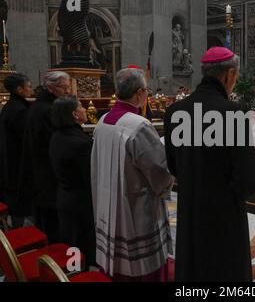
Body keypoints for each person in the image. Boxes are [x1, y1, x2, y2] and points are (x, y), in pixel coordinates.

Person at [164, 47, 255, 282]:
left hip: (190, 209)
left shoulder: (175, 111)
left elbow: (174, 167)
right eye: (235, 77)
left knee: (194, 269)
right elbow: (248, 179)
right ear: (228, 74)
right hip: (224, 213)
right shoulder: (232, 113)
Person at [91, 67, 174, 282]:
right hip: (135, 209)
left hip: (107, 205)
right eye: (146, 91)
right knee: (140, 266)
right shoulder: (138, 125)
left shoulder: (102, 121)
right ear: (139, 93)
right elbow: (159, 170)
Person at [19, 71, 71, 243]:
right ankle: (53, 257)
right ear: (51, 87)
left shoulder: (40, 105)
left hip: (40, 170)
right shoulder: (48, 109)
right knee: (51, 222)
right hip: (46, 172)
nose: (68, 91)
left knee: (44, 217)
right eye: (64, 87)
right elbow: (55, 142)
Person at [49, 96, 96, 266]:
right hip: (80, 201)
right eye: (81, 106)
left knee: (72, 241)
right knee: (81, 244)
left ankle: (74, 271)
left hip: (65, 196)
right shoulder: (80, 143)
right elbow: (90, 176)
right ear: (75, 114)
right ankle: (80, 274)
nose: (85, 109)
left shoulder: (57, 135)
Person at [0, 74, 33, 228]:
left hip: (9, 158)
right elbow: (26, 138)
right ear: (19, 89)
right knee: (19, 200)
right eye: (29, 86)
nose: (31, 89)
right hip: (18, 161)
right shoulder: (20, 110)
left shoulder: (9, 106)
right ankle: (19, 231)